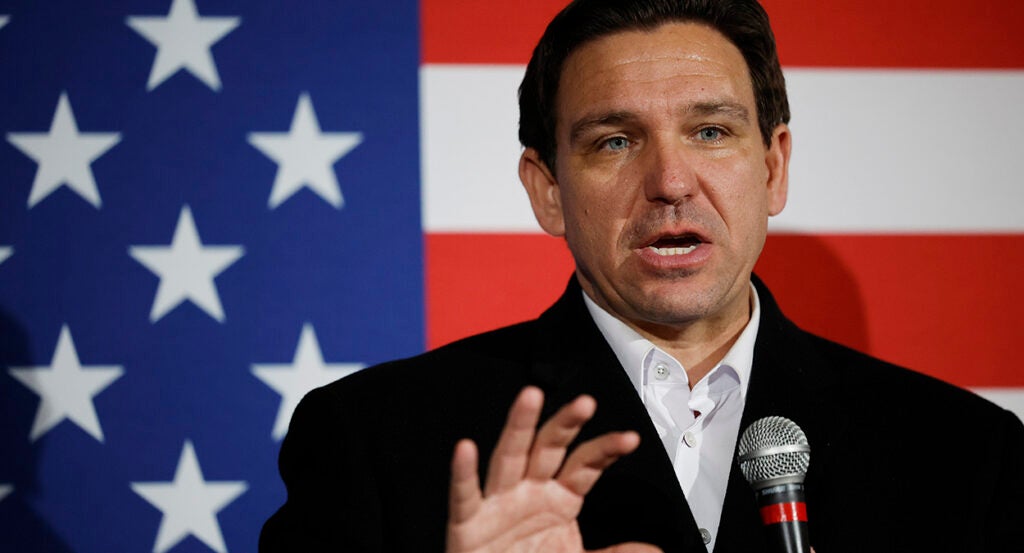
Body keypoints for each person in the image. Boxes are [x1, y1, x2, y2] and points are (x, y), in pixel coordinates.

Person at [260, 1, 1024, 551]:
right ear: (548, 189)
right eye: (616, 141)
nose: (670, 181)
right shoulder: (372, 441)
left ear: (773, 165)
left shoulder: (962, 455)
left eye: (711, 131)